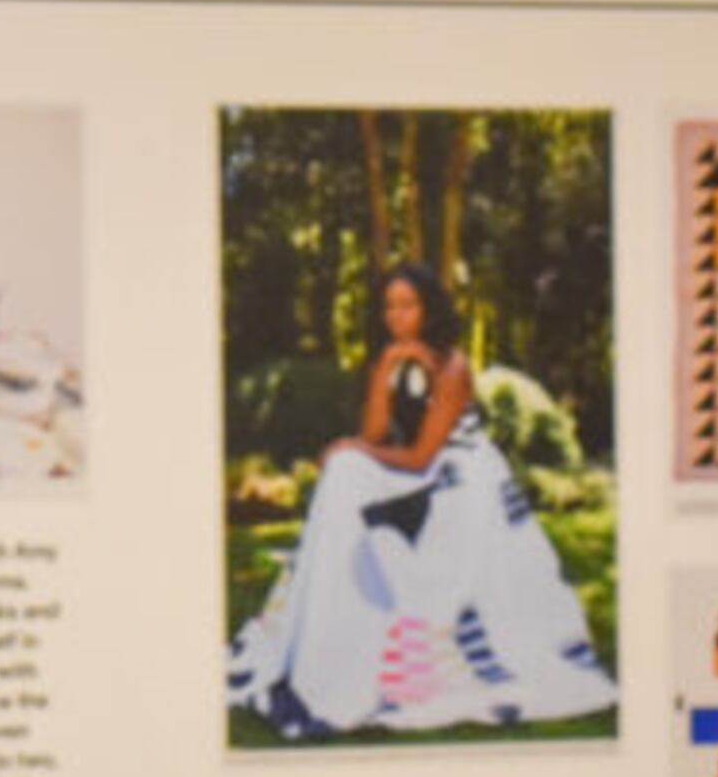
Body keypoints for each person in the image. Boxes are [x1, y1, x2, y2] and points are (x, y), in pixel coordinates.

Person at [226, 263, 616, 739]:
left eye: (407, 304)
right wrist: (387, 369)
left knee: (351, 462)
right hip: (419, 471)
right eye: (389, 305)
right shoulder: (394, 359)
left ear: (428, 308)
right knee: (346, 475)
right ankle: (322, 626)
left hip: (460, 478)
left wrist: (355, 449)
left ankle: (394, 651)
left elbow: (420, 455)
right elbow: (373, 434)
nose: (396, 315)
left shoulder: (451, 367)